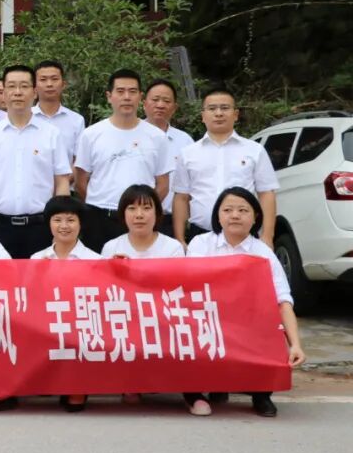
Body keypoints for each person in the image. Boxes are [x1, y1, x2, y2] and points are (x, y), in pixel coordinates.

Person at [184, 187, 305, 417]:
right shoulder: (200, 244)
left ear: (255, 216)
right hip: (209, 319)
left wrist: (295, 344)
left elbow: (283, 300)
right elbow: (190, 288)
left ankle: (261, 395)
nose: (235, 215)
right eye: (228, 210)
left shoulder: (263, 253)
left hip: (248, 324)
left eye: (243, 210)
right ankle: (199, 392)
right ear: (218, 215)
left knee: (269, 327)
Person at [0, 65, 71, 258]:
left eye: (24, 86)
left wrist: (59, 223)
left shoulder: (51, 134)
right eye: (12, 86)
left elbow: (62, 182)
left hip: (40, 227)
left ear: (34, 92)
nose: (17, 92)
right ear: (3, 92)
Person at [75, 69, 173, 252]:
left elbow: (163, 184)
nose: (127, 97)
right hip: (99, 219)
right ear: (109, 96)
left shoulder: (157, 137)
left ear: (140, 97)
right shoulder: (91, 135)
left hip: (141, 221)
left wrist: (143, 209)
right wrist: (98, 204)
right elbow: (80, 181)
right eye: (120, 91)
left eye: (132, 91)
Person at [173, 87, 279, 247]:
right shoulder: (188, 153)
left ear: (235, 114)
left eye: (224, 108)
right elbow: (181, 198)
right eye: (212, 108)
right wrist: (180, 239)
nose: (219, 113)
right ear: (203, 116)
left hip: (245, 236)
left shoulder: (255, 150)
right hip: (201, 235)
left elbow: (266, 194)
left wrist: (267, 236)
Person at [31, 195, 99, 413]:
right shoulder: (37, 259)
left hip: (81, 322)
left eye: (70, 220)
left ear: (80, 224)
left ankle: (76, 387)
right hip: (47, 321)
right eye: (57, 220)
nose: (64, 226)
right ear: (49, 224)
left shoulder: (95, 260)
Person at [143, 79, 195, 234]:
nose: (160, 105)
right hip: (136, 218)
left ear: (174, 107)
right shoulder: (131, 136)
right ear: (144, 103)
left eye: (166, 101)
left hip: (172, 220)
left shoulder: (185, 141)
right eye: (155, 99)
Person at [100, 185, 185, 259]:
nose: (139, 215)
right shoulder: (111, 248)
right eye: (132, 208)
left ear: (157, 212)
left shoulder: (173, 248)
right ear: (123, 213)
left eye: (146, 208)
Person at [31, 60, 85, 165]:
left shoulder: (76, 120)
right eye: (43, 79)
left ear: (63, 84)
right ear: (34, 86)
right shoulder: (25, 117)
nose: (49, 84)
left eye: (54, 79)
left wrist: (64, 176)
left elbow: (79, 160)